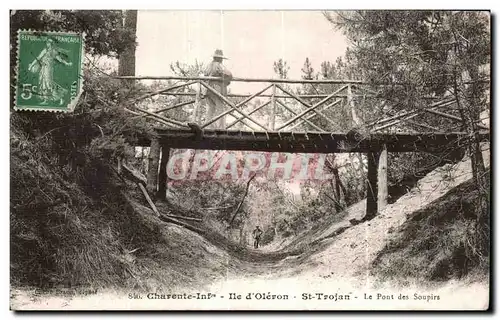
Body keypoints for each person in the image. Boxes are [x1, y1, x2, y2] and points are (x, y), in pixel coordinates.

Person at [28, 38, 72, 105]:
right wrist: (31, 65)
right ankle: (46, 100)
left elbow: (60, 59)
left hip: (49, 69)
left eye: (49, 43)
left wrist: (66, 63)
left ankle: (60, 98)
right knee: (43, 83)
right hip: (43, 69)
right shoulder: (44, 50)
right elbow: (38, 58)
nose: (48, 44)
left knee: (48, 83)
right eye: (47, 43)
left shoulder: (53, 51)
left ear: (52, 44)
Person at [202, 49, 233, 129]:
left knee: (210, 109)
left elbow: (205, 75)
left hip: (208, 90)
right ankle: (221, 128)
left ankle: (207, 127)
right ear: (219, 58)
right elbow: (229, 74)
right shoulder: (219, 65)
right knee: (220, 109)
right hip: (216, 90)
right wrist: (226, 80)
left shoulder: (208, 66)